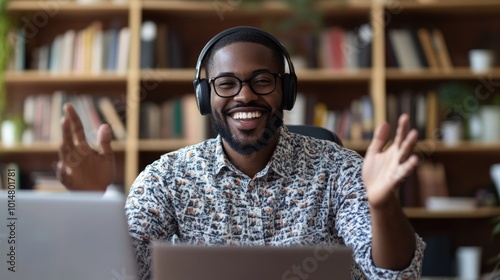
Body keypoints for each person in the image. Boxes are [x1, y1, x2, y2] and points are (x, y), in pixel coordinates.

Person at [57, 26, 425, 279]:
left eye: (262, 81)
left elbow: (396, 275)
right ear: (206, 97)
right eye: (227, 83)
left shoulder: (341, 170)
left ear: (286, 92)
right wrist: (91, 205)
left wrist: (382, 205)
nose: (245, 95)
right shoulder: (166, 178)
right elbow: (122, 272)